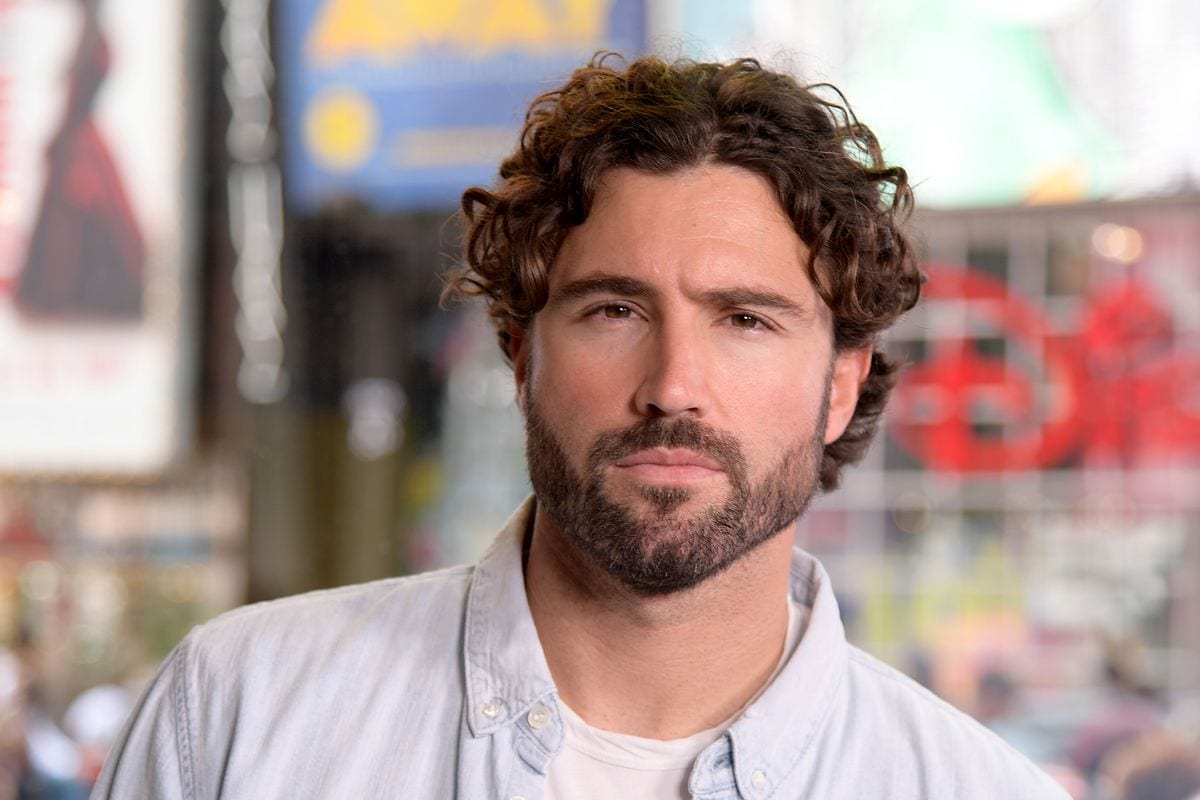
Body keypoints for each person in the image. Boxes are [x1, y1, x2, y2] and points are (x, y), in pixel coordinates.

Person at [93, 53, 1069, 798]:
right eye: (615, 309)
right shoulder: (237, 711)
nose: (674, 386)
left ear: (840, 386)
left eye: (745, 319)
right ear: (521, 353)